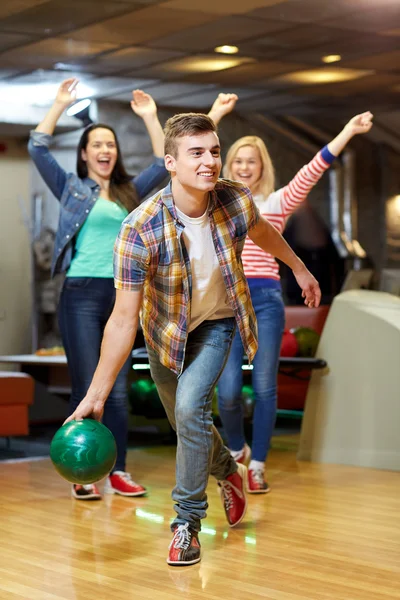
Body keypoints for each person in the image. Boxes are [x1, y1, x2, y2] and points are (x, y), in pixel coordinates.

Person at [66, 112, 320, 565]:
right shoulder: (139, 229)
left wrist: (298, 267)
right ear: (170, 162)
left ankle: (186, 524)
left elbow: (262, 231)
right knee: (187, 422)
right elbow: (123, 321)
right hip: (165, 333)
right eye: (196, 153)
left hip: (218, 324)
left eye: (214, 151)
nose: (209, 162)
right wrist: (96, 394)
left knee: (189, 409)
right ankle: (228, 471)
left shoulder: (234, 200)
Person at [208, 93, 373, 493]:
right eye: (238, 161)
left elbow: (313, 170)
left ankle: (259, 464)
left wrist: (348, 130)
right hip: (226, 301)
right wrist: (214, 116)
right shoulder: (218, 203)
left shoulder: (276, 202)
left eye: (252, 161)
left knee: (265, 387)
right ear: (229, 166)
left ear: (262, 167)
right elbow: (192, 152)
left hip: (265, 298)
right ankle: (237, 448)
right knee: (227, 392)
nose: (245, 167)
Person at [28, 78, 168, 501]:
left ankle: (118, 469)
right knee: (86, 384)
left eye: (111, 144)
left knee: (119, 389)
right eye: (97, 145)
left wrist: (149, 117)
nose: (105, 150)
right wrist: (58, 104)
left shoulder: (129, 191)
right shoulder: (70, 188)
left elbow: (166, 162)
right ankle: (82, 470)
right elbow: (37, 148)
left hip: (124, 295)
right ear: (85, 153)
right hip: (81, 293)